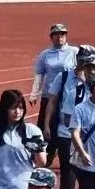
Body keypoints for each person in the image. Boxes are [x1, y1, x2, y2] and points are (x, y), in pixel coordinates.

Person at [48, 46, 95, 189]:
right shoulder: (64, 77)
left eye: (89, 63)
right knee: (68, 176)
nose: (85, 65)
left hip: (91, 139)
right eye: (83, 61)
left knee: (90, 177)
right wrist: (47, 125)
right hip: (67, 135)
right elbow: (53, 102)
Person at [30, 23, 76, 152]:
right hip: (48, 95)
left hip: (67, 96)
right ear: (51, 37)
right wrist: (34, 94)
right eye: (56, 35)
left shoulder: (74, 52)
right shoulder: (45, 54)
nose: (59, 37)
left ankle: (65, 152)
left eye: (62, 34)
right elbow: (39, 74)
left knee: (65, 126)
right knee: (46, 126)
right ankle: (46, 154)